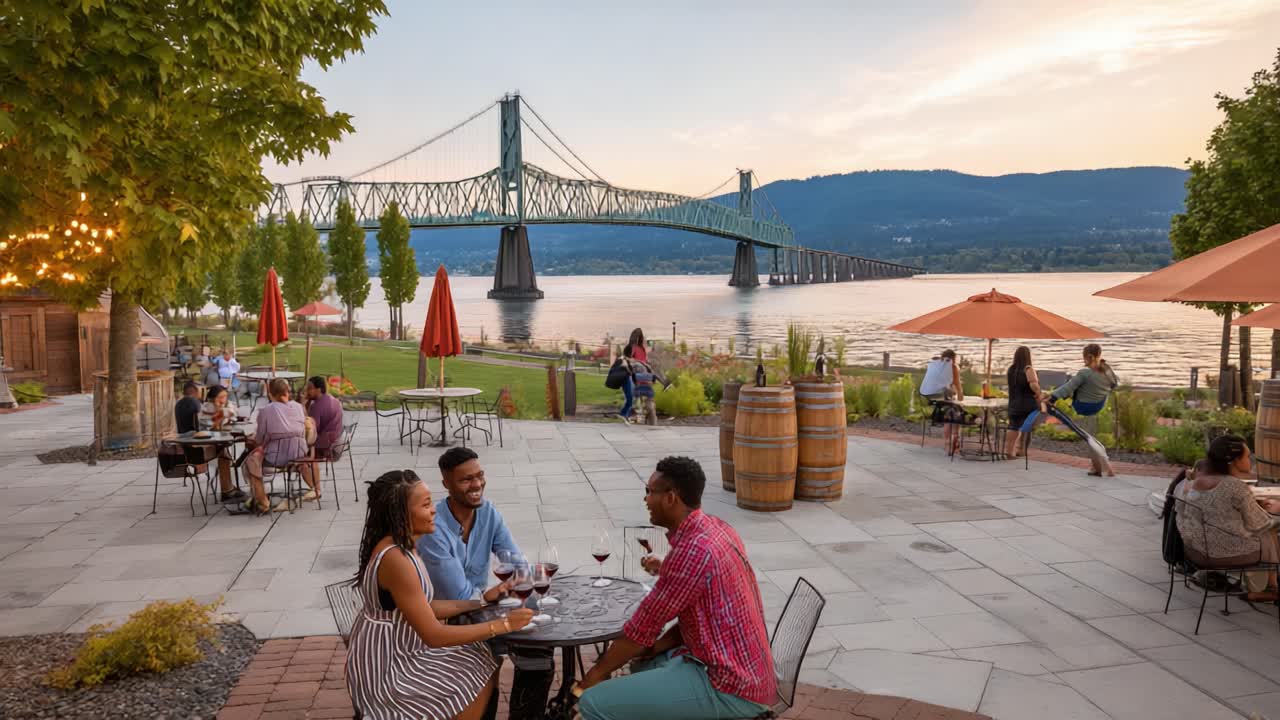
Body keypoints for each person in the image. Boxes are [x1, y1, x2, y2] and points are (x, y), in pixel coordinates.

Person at [575, 457, 776, 720]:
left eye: (649, 492)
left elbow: (642, 628)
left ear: (671, 497)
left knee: (592, 702)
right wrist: (655, 647)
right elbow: (695, 608)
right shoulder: (718, 528)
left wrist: (592, 677)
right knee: (640, 665)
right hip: (748, 672)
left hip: (730, 685)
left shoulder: (693, 551)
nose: (645, 499)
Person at [345, 470, 534, 720]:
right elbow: (434, 635)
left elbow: (426, 607)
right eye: (425, 505)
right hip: (388, 666)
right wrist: (504, 624)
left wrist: (481, 600)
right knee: (474, 670)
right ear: (401, 514)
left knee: (482, 656)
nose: (434, 510)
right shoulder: (396, 559)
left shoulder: (404, 547)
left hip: (401, 649)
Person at [417, 448, 555, 720]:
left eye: (480, 476)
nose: (477, 484)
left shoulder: (489, 513)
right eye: (466, 480)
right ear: (446, 484)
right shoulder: (435, 528)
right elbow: (459, 594)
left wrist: (513, 585)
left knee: (539, 650)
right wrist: (495, 593)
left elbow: (519, 567)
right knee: (526, 644)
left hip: (482, 609)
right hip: (445, 620)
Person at [1173, 435, 1279, 601]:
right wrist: (1277, 510)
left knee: (1258, 529)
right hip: (1222, 555)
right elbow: (1261, 524)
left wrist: (1256, 506)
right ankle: (1271, 590)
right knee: (1268, 533)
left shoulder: (1191, 481)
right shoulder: (1234, 486)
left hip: (1194, 552)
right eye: (1247, 456)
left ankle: (1268, 589)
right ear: (1234, 460)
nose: (1250, 460)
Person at [1020, 343, 1118, 476]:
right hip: (1098, 406)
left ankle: (1106, 468)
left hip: (1083, 407)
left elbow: (1069, 387)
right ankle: (1098, 468)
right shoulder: (1107, 371)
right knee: (1089, 437)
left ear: (1087, 357)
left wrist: (1053, 397)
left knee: (1087, 437)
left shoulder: (1085, 373)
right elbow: (1113, 385)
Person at [240, 378, 316, 514]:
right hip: (298, 452)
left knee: (251, 461)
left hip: (276, 457)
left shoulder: (266, 411)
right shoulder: (299, 407)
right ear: (287, 391)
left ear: (270, 393)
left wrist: (254, 439)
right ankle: (314, 488)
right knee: (258, 455)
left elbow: (260, 438)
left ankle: (262, 500)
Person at [201, 385, 246, 503]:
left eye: (225, 396)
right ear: (211, 398)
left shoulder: (224, 405)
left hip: (218, 442)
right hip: (205, 446)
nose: (223, 400)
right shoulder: (207, 408)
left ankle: (229, 488)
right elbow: (211, 424)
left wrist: (225, 410)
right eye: (220, 397)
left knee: (226, 453)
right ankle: (227, 491)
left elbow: (232, 411)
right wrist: (222, 412)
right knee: (224, 456)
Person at [919, 349, 964, 454]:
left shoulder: (935, 365)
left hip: (931, 402)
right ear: (953, 358)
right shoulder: (953, 367)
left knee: (950, 411)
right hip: (943, 403)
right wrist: (961, 398)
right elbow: (957, 385)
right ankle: (952, 442)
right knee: (956, 413)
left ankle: (947, 442)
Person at [1003, 346, 1041, 459]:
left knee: (1013, 426)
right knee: (1027, 427)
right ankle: (1022, 449)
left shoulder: (1011, 369)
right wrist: (1039, 392)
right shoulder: (1028, 369)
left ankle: (1009, 451)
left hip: (1014, 403)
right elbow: (1033, 385)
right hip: (1028, 404)